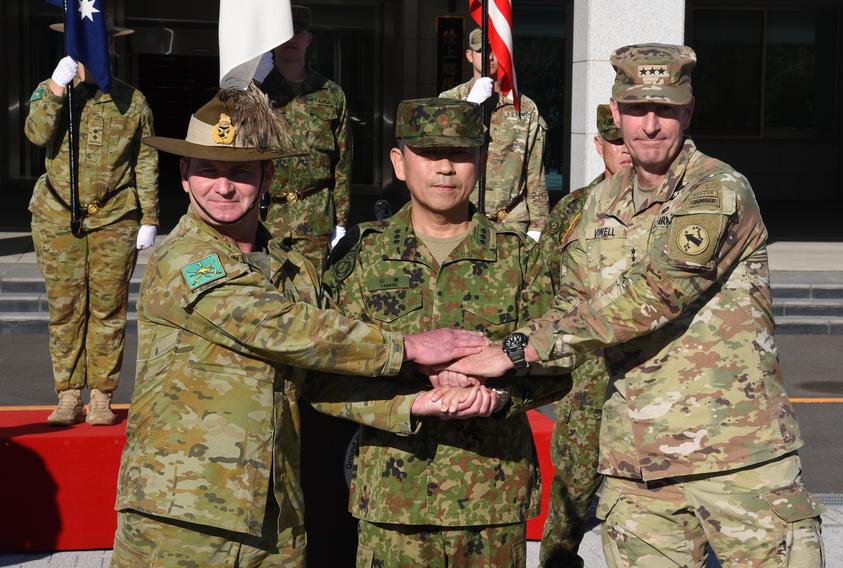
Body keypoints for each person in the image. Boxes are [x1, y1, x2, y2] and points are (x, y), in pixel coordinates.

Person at [440, 44, 826, 567]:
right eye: (637, 109)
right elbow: (571, 311)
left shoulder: (718, 190)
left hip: (739, 460)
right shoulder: (595, 205)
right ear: (616, 113)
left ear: (687, 112)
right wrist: (478, 365)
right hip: (638, 467)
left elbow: (655, 294)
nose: (650, 125)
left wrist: (515, 350)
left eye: (665, 110)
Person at [111, 86, 489, 566]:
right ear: (184, 176)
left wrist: (414, 402)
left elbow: (319, 378)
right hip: (182, 514)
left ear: (267, 176)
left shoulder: (293, 267)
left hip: (277, 513)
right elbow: (278, 327)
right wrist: (410, 347)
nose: (223, 187)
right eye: (207, 170)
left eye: (241, 172)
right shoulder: (184, 260)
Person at [303, 97, 570, 567]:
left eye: (461, 154)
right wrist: (406, 404)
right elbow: (321, 377)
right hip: (392, 500)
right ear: (399, 163)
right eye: (428, 154)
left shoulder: (521, 258)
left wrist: (502, 396)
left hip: (492, 499)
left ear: (482, 163)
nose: (445, 168)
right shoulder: (359, 259)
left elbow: (559, 362)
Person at [25, 19, 158, 426]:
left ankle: (101, 394)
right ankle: (67, 394)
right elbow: (36, 134)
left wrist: (150, 217)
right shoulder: (51, 92)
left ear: (110, 49)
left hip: (115, 218)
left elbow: (146, 160)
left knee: (108, 310)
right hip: (57, 216)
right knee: (65, 309)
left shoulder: (131, 101)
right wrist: (55, 89)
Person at [537, 105, 629, 567]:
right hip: (589, 369)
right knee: (574, 476)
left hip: (653, 367)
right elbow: (546, 286)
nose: (626, 152)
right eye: (616, 144)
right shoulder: (573, 211)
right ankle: (558, 559)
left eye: (630, 141)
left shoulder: (676, 204)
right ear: (600, 147)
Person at [256, 3, 350, 270]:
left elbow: (342, 162)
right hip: (264, 218)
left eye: (297, 33)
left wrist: (340, 222)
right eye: (283, 33)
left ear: (308, 39)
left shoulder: (330, 94)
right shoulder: (254, 93)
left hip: (315, 216)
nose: (290, 40)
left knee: (312, 300)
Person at [440, 28, 548, 240]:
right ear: (469, 55)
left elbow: (535, 171)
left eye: (495, 50)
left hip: (509, 220)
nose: (489, 56)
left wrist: (538, 226)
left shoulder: (523, 107)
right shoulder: (450, 100)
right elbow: (443, 149)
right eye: (481, 50)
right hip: (460, 219)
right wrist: (470, 106)